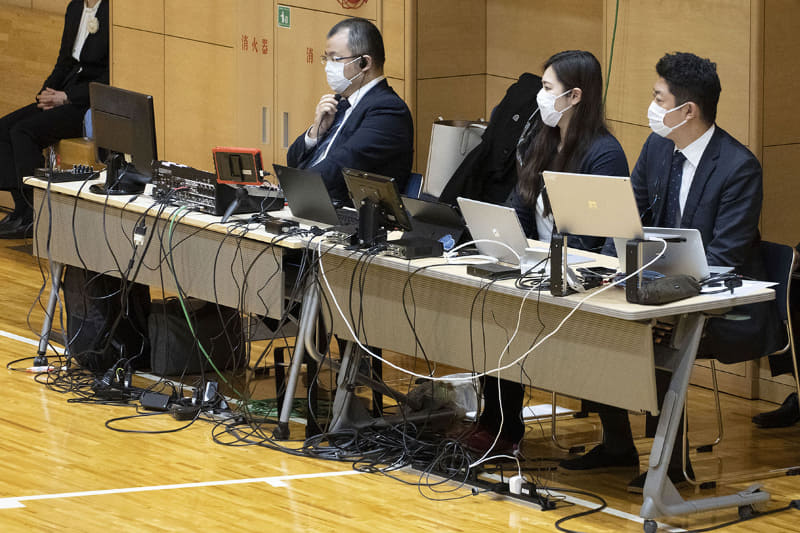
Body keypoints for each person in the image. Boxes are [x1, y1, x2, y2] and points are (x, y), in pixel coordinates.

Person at [559, 52, 784, 493]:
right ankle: (618, 444)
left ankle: (675, 465)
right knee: (595, 318)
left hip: (722, 303)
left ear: (687, 111)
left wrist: (662, 291)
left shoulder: (739, 168)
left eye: (658, 97)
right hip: (657, 291)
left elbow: (725, 257)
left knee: (655, 331)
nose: (651, 105)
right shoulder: (658, 148)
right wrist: (604, 267)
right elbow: (625, 220)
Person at [466, 50, 629, 455]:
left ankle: (506, 426)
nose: (539, 96)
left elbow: (605, 236)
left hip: (578, 277)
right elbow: (517, 207)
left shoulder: (604, 154)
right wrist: (500, 239)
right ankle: (496, 420)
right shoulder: (544, 139)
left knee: (511, 316)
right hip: (537, 267)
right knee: (494, 304)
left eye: (546, 88)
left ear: (574, 97)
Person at [0, 0, 109, 239]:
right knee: (4, 129)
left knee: (23, 131)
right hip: (63, 94)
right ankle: (21, 206)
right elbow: (64, 61)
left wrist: (68, 97)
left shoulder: (112, 13)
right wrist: (45, 94)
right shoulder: (75, 7)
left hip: (87, 103)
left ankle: (35, 212)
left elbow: (110, 73)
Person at [286, 17, 413, 203]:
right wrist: (316, 133)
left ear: (365, 63)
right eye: (326, 58)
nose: (329, 66)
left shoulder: (388, 111)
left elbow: (345, 164)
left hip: (353, 217)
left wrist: (293, 187)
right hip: (316, 205)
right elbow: (293, 161)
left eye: (335, 59)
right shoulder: (340, 102)